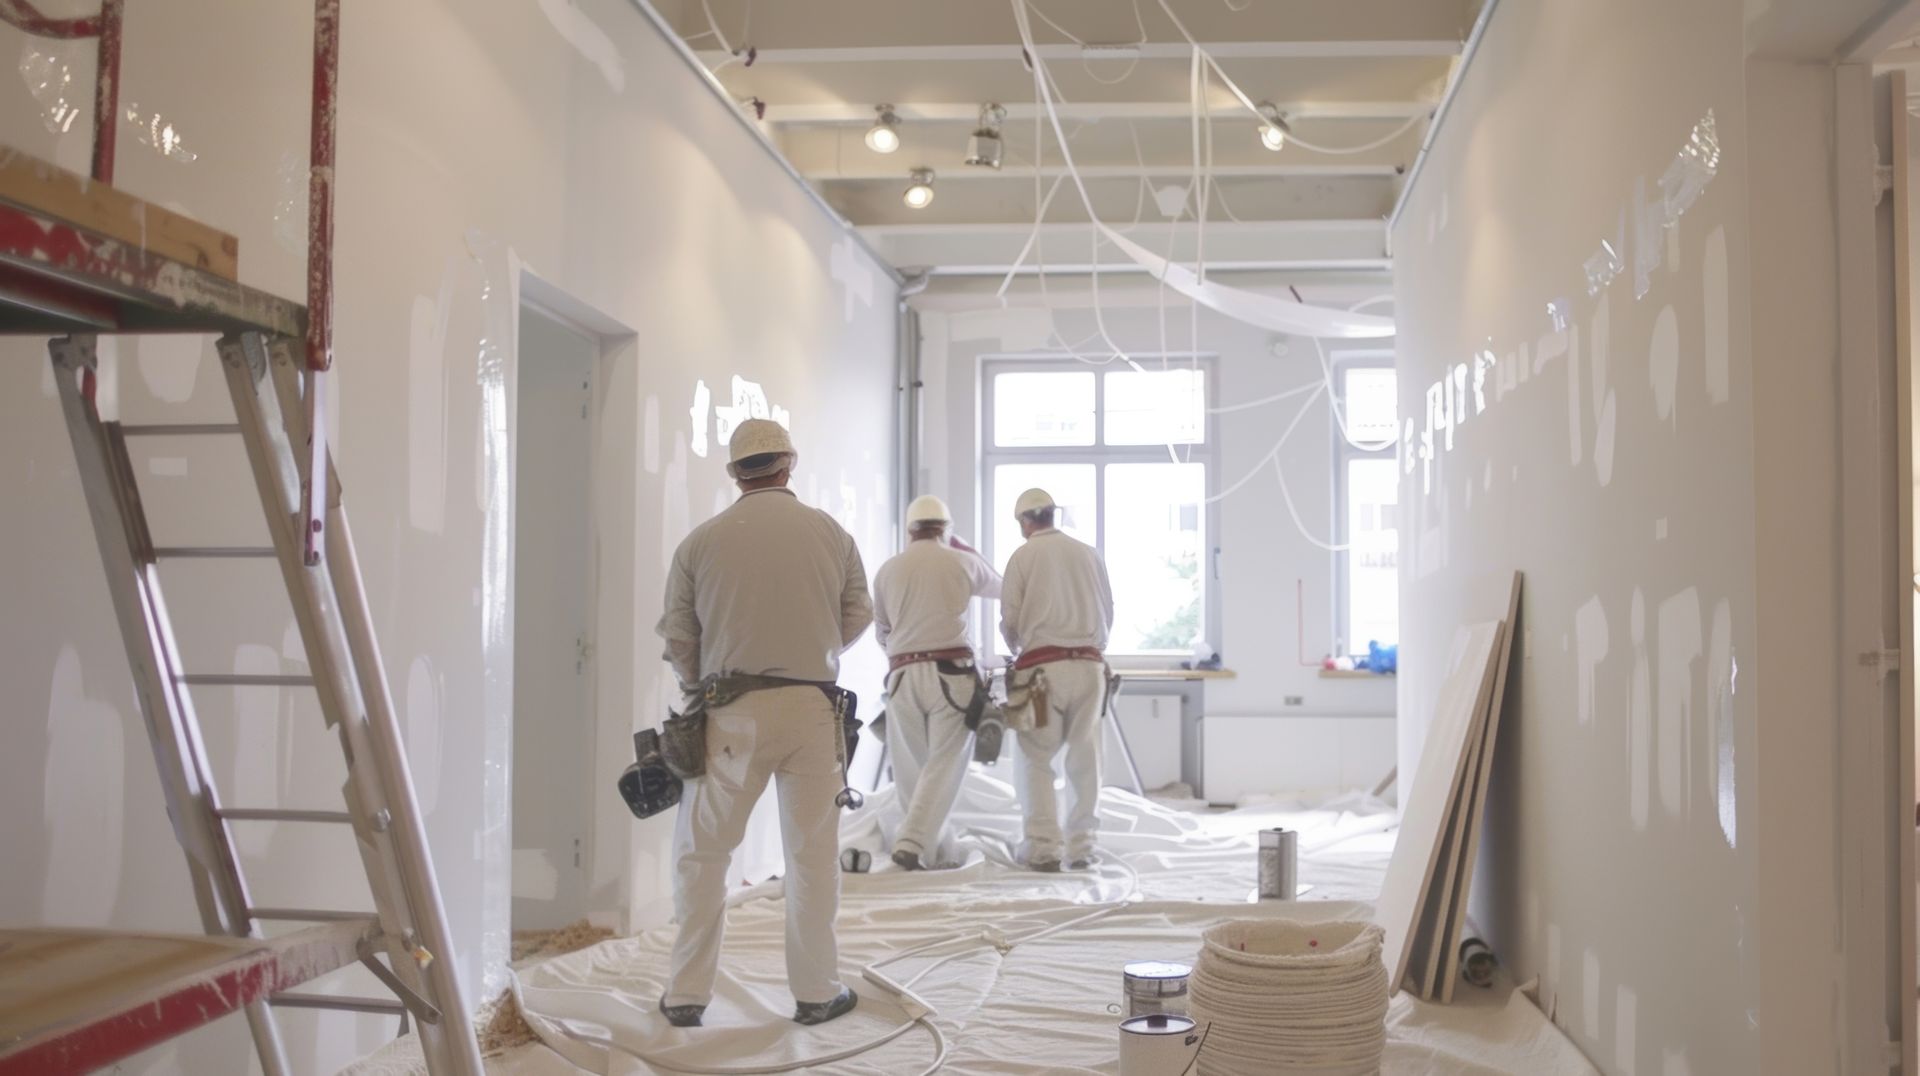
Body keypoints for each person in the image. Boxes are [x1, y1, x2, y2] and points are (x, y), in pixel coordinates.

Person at [654, 418, 871, 1029]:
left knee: (704, 856)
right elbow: (857, 614)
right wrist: (813, 648)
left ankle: (686, 996)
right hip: (812, 713)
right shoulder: (832, 534)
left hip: (732, 712)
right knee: (812, 856)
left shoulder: (702, 542)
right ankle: (816, 993)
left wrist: (701, 688)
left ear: (733, 473)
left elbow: (679, 639)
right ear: (790, 463)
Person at [871, 494, 1003, 871]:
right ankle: (914, 842)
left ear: (910, 530)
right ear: (945, 528)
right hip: (952, 673)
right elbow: (1001, 586)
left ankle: (924, 849)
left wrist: (903, 651)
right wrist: (966, 549)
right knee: (945, 762)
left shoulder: (889, 570)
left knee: (911, 766)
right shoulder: (960, 561)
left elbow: (882, 630)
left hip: (901, 674)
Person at [998, 487, 1114, 873]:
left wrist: (1018, 647)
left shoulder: (1022, 556)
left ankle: (1044, 849)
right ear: (1052, 515)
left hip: (1040, 674)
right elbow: (1108, 611)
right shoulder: (1088, 554)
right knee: (1085, 758)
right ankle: (1082, 848)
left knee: (1035, 759)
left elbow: (1011, 620)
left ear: (1024, 522)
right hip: (1089, 668)